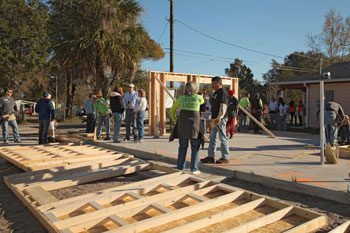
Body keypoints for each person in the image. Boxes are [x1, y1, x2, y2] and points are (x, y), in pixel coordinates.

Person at [170, 81, 204, 174]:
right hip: (194, 126)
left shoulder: (181, 98)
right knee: (195, 147)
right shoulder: (199, 98)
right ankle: (194, 169)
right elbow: (202, 102)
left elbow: (172, 110)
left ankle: (180, 167)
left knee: (182, 147)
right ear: (196, 89)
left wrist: (175, 120)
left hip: (183, 125)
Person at [201, 76, 230, 164]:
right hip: (214, 118)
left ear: (219, 83)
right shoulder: (215, 93)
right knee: (212, 138)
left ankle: (225, 157)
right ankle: (210, 156)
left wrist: (219, 117)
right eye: (212, 83)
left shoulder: (223, 93)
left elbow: (223, 106)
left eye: (214, 83)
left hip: (220, 119)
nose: (212, 85)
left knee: (223, 138)